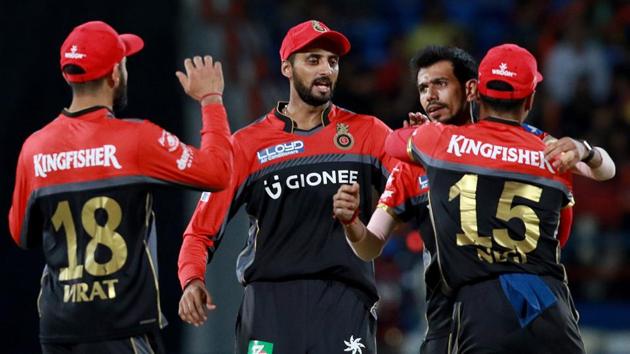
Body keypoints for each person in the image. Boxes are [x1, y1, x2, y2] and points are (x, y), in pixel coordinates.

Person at [334, 45, 614, 353]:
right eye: (423, 88)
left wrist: (420, 136)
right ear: (529, 99)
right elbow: (369, 246)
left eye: (440, 84)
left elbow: (394, 141)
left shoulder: (427, 145)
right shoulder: (539, 147)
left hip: (476, 313)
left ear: (472, 90)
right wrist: (351, 225)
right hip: (458, 320)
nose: (430, 95)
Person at [8, 20, 233, 354]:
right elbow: (219, 173)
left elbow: (21, 235)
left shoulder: (34, 148)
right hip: (121, 329)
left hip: (59, 331)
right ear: (115, 75)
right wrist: (211, 100)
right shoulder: (137, 140)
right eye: (124, 63)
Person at [177, 20, 397, 354]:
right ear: (286, 68)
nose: (326, 69)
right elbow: (200, 232)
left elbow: (414, 190)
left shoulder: (368, 133)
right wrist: (192, 279)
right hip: (269, 307)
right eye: (313, 60)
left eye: (332, 61)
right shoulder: (248, 145)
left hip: (343, 303)